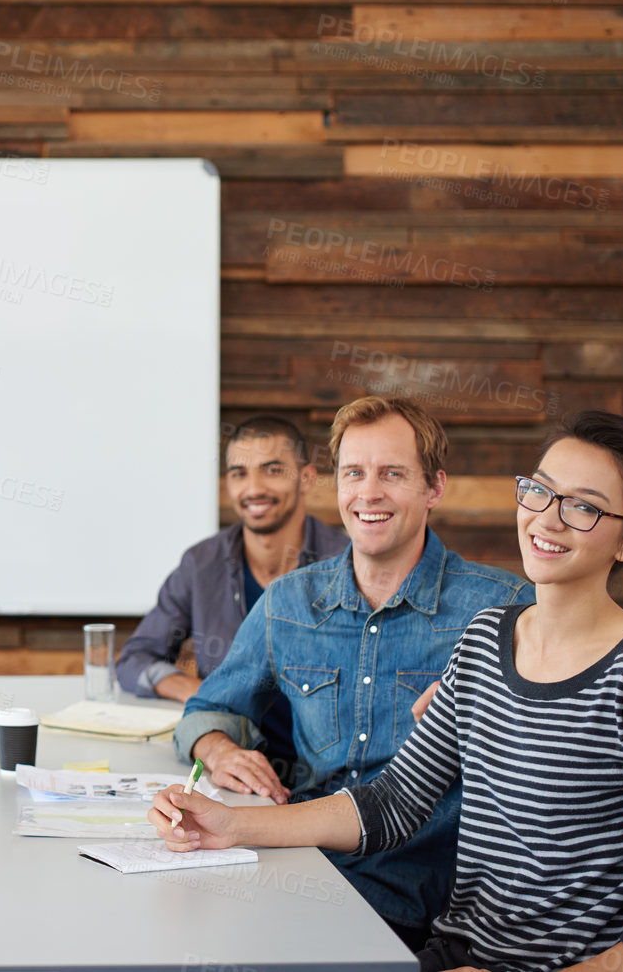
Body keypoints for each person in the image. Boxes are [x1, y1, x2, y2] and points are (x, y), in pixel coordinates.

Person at [153, 411, 623, 972]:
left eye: (584, 506)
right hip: (454, 953)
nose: (548, 518)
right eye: (540, 491)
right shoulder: (486, 637)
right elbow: (393, 803)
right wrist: (230, 825)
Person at [171, 395, 533, 947]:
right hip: (298, 871)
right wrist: (219, 750)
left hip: (425, 907)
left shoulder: (504, 610)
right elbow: (209, 710)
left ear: (433, 488)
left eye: (392, 473)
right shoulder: (287, 601)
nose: (369, 493)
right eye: (354, 473)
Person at [116, 414, 348, 780]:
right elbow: (135, 659)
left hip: (332, 780)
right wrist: (202, 692)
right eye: (239, 473)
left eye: (271, 470)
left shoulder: (349, 562)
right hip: (234, 773)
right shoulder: (201, 563)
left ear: (306, 478)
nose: (253, 487)